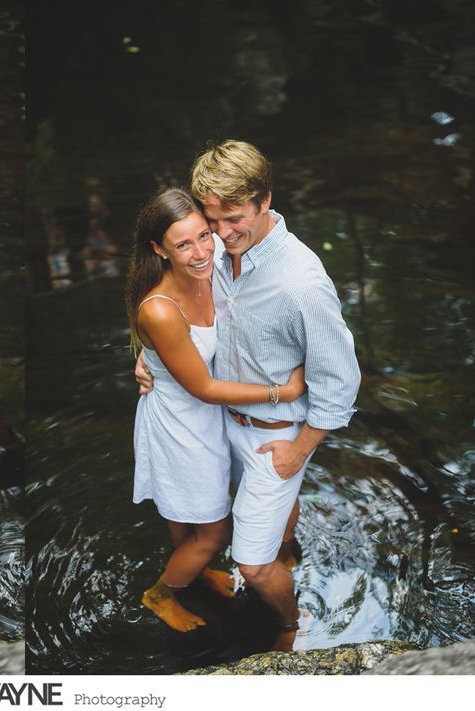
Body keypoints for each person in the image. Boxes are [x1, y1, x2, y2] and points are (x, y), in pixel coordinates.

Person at [137, 141, 361, 650]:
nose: (219, 234)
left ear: (265, 201)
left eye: (233, 218)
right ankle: (283, 548)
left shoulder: (301, 284)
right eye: (211, 220)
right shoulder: (214, 253)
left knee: (254, 565)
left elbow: (340, 381)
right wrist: (152, 357)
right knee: (218, 527)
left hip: (273, 439)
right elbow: (176, 307)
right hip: (216, 424)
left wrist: (299, 450)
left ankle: (286, 627)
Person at [126, 187, 306, 633]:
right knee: (213, 532)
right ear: (158, 250)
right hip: (183, 426)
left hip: (208, 417)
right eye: (183, 245)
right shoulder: (162, 310)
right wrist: (279, 393)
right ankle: (160, 595)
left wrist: (145, 360)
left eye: (204, 235)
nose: (202, 251)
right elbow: (204, 387)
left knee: (188, 513)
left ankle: (195, 568)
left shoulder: (215, 270)